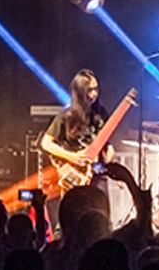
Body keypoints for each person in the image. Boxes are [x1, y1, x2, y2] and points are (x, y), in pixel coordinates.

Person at [40, 69, 134, 229]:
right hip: (74, 176)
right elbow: (46, 143)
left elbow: (106, 144)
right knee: (71, 222)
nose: (94, 94)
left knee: (101, 220)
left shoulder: (100, 113)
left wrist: (109, 155)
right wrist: (72, 156)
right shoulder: (67, 115)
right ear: (80, 91)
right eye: (90, 90)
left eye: (96, 89)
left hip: (96, 175)